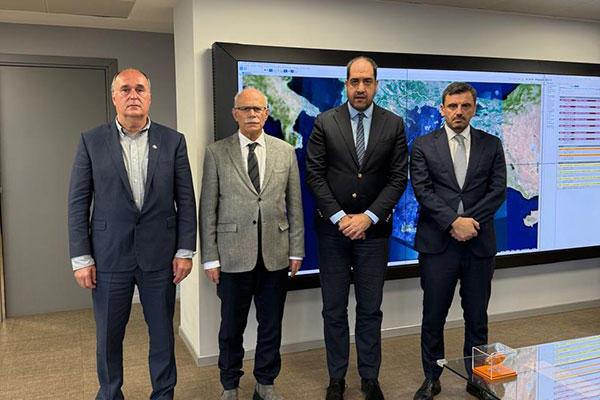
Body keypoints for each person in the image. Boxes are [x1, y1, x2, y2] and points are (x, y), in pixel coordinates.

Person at [68, 68, 197, 400]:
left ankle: (163, 394)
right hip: (109, 256)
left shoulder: (173, 141)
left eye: (140, 89)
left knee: (162, 335)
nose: (133, 95)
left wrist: (185, 251)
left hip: (160, 257)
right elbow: (78, 202)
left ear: (150, 97)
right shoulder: (91, 141)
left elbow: (186, 199)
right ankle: (110, 393)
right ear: (114, 98)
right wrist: (81, 257)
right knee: (109, 336)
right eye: (125, 89)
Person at [305, 57, 408, 400]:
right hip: (333, 233)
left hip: (374, 234)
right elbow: (315, 175)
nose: (360, 88)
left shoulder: (393, 124)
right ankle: (336, 378)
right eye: (354, 81)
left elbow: (398, 178)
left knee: (370, 309)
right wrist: (340, 218)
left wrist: (368, 217)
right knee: (334, 309)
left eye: (367, 81)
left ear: (376, 84)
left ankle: (369, 377)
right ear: (346, 84)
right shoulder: (325, 121)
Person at [200, 88, 304, 400]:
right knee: (231, 327)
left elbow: (295, 205)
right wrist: (210, 257)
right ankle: (230, 385)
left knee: (271, 325)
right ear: (235, 114)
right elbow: (208, 208)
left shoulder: (285, 151)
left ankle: (265, 382)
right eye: (245, 109)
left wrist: (296, 249)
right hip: (232, 256)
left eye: (258, 109)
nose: (252, 114)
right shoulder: (216, 153)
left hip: (275, 254)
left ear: (266, 113)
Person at [410, 82, 507, 400]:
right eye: (452, 106)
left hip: (478, 243)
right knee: (433, 316)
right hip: (438, 243)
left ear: (474, 109)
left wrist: (469, 224)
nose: (459, 112)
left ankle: (477, 379)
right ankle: (431, 377)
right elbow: (423, 191)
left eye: (465, 106)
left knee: (477, 317)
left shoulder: (491, 144)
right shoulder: (423, 145)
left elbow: (497, 190)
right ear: (442, 109)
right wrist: (453, 222)